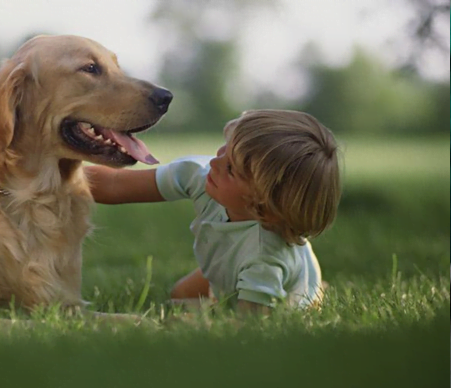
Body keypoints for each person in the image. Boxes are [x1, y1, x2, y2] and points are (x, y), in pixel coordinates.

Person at [85, 109, 341, 314]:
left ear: (263, 207)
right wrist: (50, 173)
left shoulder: (264, 259)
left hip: (285, 293)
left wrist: (178, 326)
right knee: (179, 295)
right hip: (229, 263)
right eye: (223, 149)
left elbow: (249, 330)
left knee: (221, 309)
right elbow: (113, 185)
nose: (214, 163)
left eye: (231, 168)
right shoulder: (201, 174)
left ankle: (313, 290)